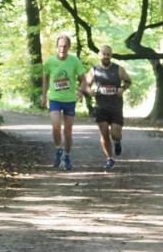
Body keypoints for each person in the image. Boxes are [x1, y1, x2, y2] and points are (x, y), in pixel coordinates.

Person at [40, 34, 88, 170]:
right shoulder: (49, 61)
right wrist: (43, 96)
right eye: (60, 46)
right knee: (56, 127)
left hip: (69, 100)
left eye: (65, 46)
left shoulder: (74, 61)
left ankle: (67, 156)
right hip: (55, 99)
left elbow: (83, 79)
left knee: (68, 131)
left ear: (69, 47)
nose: (62, 49)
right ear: (57, 46)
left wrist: (80, 91)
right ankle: (58, 150)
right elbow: (45, 78)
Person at [85, 45, 132, 169]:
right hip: (101, 106)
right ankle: (109, 159)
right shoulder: (94, 70)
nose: (106, 56)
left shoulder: (118, 69)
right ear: (99, 55)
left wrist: (123, 88)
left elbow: (128, 81)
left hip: (116, 106)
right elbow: (86, 85)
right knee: (104, 133)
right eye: (104, 54)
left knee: (115, 134)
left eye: (108, 54)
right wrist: (90, 92)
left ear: (111, 55)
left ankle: (117, 142)